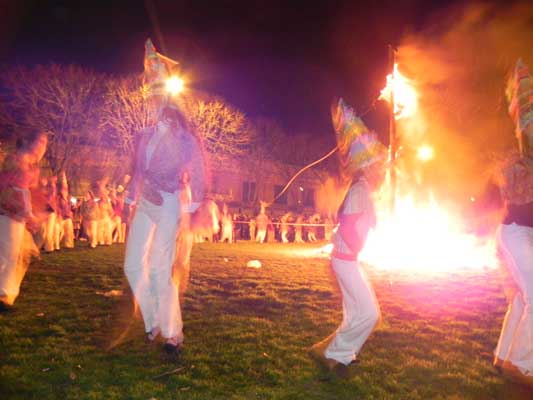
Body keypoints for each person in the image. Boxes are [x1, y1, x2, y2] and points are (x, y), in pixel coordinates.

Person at [309, 99, 385, 378]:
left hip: (346, 259)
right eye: (381, 167)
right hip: (346, 259)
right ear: (370, 168)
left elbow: (357, 219)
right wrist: (357, 246)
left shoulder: (363, 188)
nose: (385, 171)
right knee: (370, 313)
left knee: (355, 312)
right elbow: (349, 222)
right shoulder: (361, 189)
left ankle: (343, 352)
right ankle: (333, 352)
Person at [124, 101, 206, 356]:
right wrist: (129, 199)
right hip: (146, 202)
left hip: (169, 201)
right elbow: (138, 170)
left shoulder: (184, 138)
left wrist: (193, 205)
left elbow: (199, 169)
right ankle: (153, 320)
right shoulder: (145, 134)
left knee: (160, 268)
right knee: (132, 265)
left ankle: (173, 333)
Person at [493, 59, 533, 386]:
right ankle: (521, 364)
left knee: (523, 299)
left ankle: (504, 356)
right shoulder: (521, 163)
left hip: (518, 234)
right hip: (515, 233)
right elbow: (518, 198)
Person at [0, 130, 47, 310]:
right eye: (41, 142)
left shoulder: (32, 167)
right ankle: (4, 295)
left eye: (45, 144)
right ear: (28, 141)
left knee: (17, 256)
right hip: (7, 213)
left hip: (18, 216)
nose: (43, 147)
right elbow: (7, 187)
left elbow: (32, 193)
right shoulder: (14, 161)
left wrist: (36, 213)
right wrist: (18, 209)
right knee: (7, 256)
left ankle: (7, 294)